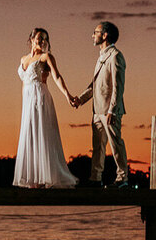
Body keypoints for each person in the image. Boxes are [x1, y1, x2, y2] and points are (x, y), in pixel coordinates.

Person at [12, 28, 78, 188]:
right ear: (32, 39)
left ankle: (47, 177)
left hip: (40, 97)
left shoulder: (46, 57)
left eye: (45, 39)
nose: (42, 42)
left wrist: (68, 95)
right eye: (40, 38)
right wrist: (23, 104)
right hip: (27, 100)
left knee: (42, 133)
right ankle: (33, 178)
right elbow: (24, 83)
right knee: (29, 134)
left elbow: (57, 76)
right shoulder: (23, 59)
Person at [69, 21, 129, 187]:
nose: (92, 35)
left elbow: (118, 86)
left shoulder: (116, 56)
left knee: (116, 144)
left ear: (105, 35)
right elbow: (95, 85)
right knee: (98, 147)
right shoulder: (101, 57)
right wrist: (80, 99)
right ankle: (95, 178)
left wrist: (113, 111)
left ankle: (122, 178)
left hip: (110, 111)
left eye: (95, 32)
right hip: (97, 110)